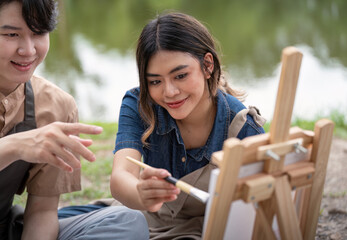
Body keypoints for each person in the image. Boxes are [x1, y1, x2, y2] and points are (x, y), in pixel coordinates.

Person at [0, 0, 148, 239]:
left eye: (38, 33)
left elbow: (42, 212)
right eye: (11, 34)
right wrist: (16, 146)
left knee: (126, 221)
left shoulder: (56, 107)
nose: (28, 50)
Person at [110, 12, 266, 239]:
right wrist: (140, 193)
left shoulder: (245, 128)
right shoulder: (138, 105)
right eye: (155, 81)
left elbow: (259, 211)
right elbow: (120, 176)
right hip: (144, 218)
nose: (169, 92)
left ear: (207, 65)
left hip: (210, 230)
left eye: (180, 75)